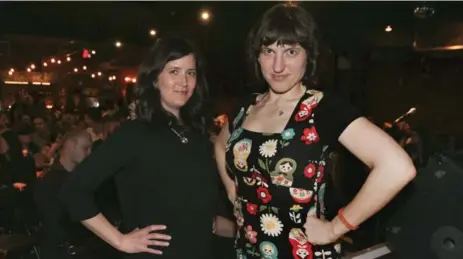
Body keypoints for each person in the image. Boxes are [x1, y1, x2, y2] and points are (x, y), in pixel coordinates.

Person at [214, 4, 416, 259]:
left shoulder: (323, 109)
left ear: (308, 55)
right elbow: (222, 145)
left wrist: (335, 228)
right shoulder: (246, 107)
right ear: (257, 55)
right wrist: (233, 190)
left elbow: (397, 167)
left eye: (290, 51)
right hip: (247, 250)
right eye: (268, 51)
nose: (278, 66)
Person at [60, 37, 219, 259]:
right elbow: (74, 190)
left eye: (190, 73)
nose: (184, 81)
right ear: (155, 78)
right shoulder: (134, 134)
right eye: (174, 71)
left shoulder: (198, 136)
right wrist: (120, 240)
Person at [34, 128, 93, 259]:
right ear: (71, 146)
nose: (89, 153)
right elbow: (53, 226)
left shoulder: (79, 177)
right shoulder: (51, 182)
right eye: (85, 148)